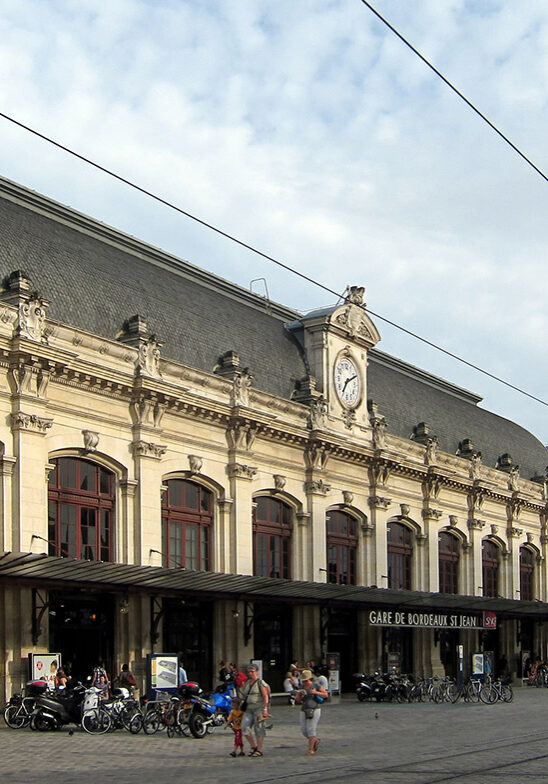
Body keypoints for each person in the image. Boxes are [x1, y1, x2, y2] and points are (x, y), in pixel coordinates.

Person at [295, 668, 328, 756]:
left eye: (306, 680)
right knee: (304, 730)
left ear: (310, 679)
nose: (304, 682)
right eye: (303, 680)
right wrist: (299, 695)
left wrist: (316, 692)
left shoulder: (316, 685)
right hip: (304, 708)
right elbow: (297, 699)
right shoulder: (301, 687)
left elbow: (325, 694)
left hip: (314, 708)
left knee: (311, 729)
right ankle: (315, 740)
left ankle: (311, 749)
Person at [240, 664, 270, 757]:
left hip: (258, 708)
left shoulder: (260, 682)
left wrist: (265, 709)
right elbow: (244, 695)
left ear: (257, 672)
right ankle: (253, 746)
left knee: (259, 729)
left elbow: (265, 696)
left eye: (252, 671)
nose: (250, 673)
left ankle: (259, 750)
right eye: (248, 672)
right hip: (248, 708)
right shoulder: (247, 683)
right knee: (244, 727)